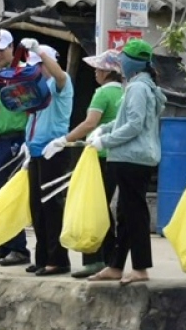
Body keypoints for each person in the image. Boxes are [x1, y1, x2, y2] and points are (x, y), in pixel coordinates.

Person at [86, 39, 165, 284]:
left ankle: (140, 268)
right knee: (125, 213)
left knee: (135, 214)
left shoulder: (139, 88)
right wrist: (103, 130)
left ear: (133, 63)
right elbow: (124, 119)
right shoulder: (142, 86)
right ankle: (116, 265)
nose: (121, 63)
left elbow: (134, 124)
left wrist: (106, 140)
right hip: (133, 157)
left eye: (124, 59)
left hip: (131, 157)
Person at [45, 49, 126, 279]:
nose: (95, 73)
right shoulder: (125, 92)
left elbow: (89, 123)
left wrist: (64, 140)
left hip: (98, 156)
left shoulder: (102, 94)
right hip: (118, 155)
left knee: (92, 207)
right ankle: (109, 258)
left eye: (98, 69)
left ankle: (95, 259)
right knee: (106, 208)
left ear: (106, 72)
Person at [0, 31, 33, 266]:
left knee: (10, 193)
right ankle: (3, 243)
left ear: (12, 48)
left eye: (2, 50)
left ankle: (19, 248)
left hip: (14, 137)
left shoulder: (22, 73)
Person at [22, 38, 74, 276]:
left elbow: (59, 75)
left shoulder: (60, 85)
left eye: (39, 65)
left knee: (52, 206)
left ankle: (58, 259)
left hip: (54, 150)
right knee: (36, 206)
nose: (36, 70)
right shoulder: (37, 91)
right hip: (35, 151)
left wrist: (40, 52)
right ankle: (42, 257)